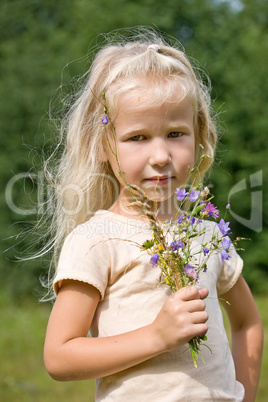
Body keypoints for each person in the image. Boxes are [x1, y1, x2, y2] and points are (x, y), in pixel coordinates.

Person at [43, 28, 263, 401]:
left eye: (176, 133)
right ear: (102, 145)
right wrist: (156, 336)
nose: (160, 155)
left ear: (200, 136)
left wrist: (244, 393)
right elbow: (59, 356)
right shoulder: (97, 240)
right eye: (138, 138)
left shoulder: (208, 235)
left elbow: (248, 322)